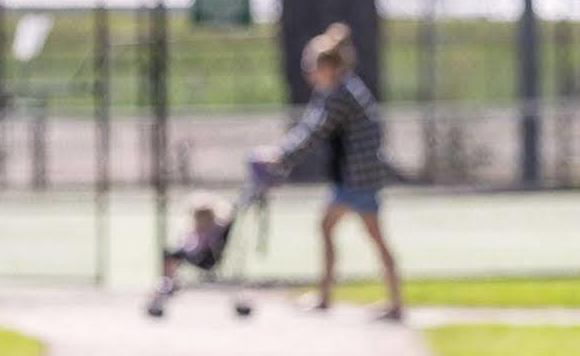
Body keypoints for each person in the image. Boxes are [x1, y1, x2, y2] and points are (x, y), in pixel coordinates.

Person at [255, 23, 404, 320]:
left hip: (358, 178)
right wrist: (282, 154)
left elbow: (313, 131)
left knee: (370, 235)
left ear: (328, 66)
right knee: (330, 227)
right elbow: (310, 126)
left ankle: (391, 303)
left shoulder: (341, 94)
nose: (309, 74)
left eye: (312, 67)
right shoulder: (336, 89)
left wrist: (280, 156)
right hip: (351, 176)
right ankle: (330, 295)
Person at [147, 194, 233, 313]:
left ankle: (167, 283)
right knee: (170, 253)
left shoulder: (214, 229)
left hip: (204, 258)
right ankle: (169, 280)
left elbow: (198, 246)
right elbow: (188, 243)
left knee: (171, 254)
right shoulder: (198, 229)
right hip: (195, 255)